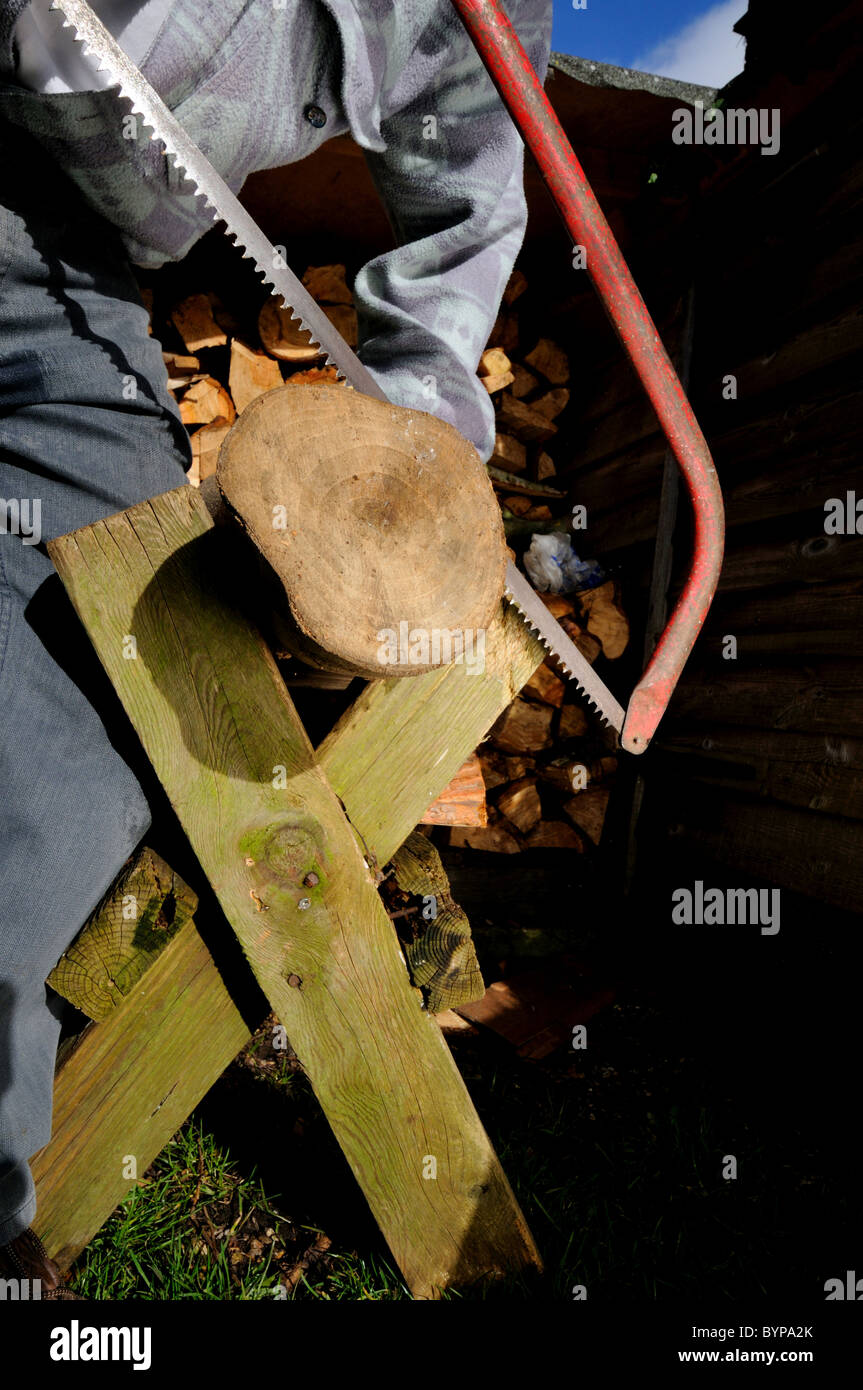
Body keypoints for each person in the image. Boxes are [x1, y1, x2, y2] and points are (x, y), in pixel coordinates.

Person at [0, 0, 551, 1296]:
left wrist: (408, 456)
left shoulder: (476, 15)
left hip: (61, 271)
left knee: (120, 627)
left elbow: (473, 192)